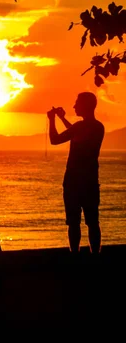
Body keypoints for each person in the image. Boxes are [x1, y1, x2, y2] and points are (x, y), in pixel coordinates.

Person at [48, 92, 105, 256]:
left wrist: (52, 119)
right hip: (91, 181)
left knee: (74, 223)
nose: (74, 106)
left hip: (73, 181)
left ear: (85, 106)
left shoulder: (80, 127)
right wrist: (62, 119)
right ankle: (96, 256)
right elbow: (77, 134)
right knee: (93, 222)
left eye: (77, 103)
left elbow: (55, 139)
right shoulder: (98, 127)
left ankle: (75, 256)